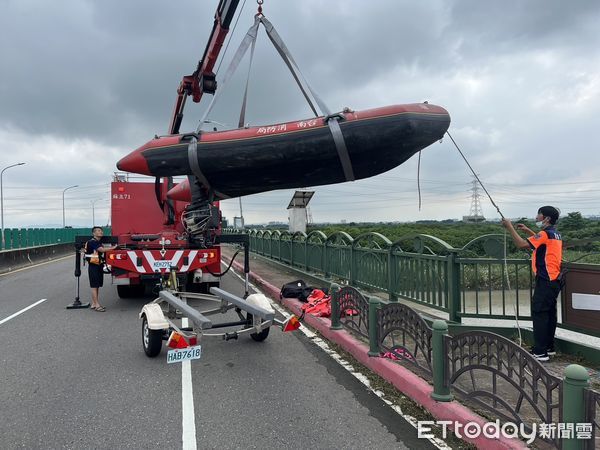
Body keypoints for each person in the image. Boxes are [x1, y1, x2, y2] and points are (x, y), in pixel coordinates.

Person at [502, 206, 562, 362]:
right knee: (549, 314)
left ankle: (540, 353)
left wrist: (509, 227)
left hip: (545, 279)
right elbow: (540, 242)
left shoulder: (544, 234)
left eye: (539, 215)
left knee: (539, 313)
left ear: (546, 218)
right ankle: (549, 348)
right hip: (554, 279)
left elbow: (522, 245)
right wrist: (528, 231)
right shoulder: (555, 234)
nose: (537, 217)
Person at [84, 226, 115, 312]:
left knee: (97, 285)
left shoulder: (98, 242)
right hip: (93, 266)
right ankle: (97, 305)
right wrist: (112, 248)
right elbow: (101, 250)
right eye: (98, 231)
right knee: (94, 286)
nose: (100, 232)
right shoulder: (92, 242)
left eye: (101, 231)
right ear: (93, 233)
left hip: (98, 265)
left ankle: (94, 303)